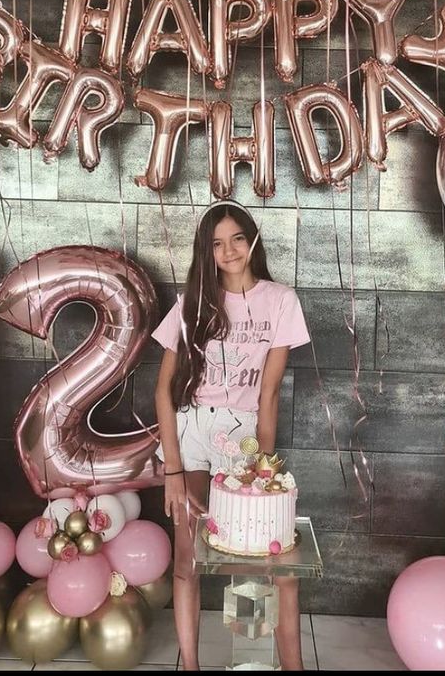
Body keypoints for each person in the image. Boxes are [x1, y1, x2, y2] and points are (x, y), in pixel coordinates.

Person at [152, 200, 310, 671]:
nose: (229, 251)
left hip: (243, 435)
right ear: (208, 251)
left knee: (268, 561)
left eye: (237, 238)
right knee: (188, 554)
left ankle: (292, 666)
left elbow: (270, 394)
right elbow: (163, 391)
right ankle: (192, 666)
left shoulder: (280, 300)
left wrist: (263, 467)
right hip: (192, 430)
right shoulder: (190, 304)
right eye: (217, 243)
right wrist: (173, 472)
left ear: (252, 240)